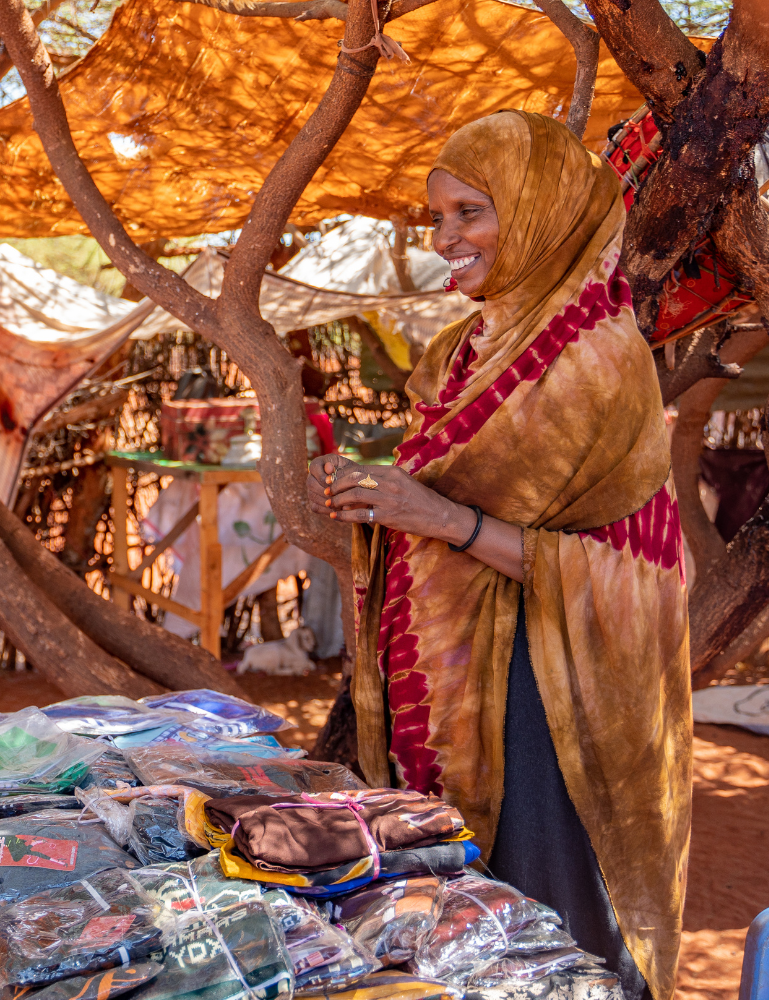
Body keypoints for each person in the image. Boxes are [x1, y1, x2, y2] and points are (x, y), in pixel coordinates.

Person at [305, 110, 690, 1000]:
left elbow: (632, 568)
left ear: (540, 209)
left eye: (470, 212)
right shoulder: (459, 354)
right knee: (461, 926)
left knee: (546, 923)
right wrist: (392, 506)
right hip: (457, 677)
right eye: (437, 217)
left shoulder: (602, 361)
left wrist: (430, 515)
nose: (447, 238)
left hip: (553, 695)